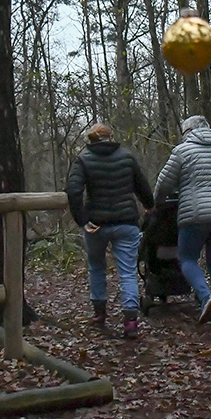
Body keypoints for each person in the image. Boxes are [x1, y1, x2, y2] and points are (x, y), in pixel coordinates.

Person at [65, 123, 155, 339]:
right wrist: (149, 205)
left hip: (97, 223)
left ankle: (99, 312)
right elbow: (141, 185)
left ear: (91, 139)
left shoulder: (83, 158)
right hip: (126, 222)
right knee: (127, 272)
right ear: (111, 136)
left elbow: (74, 190)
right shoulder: (126, 156)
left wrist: (82, 220)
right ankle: (131, 321)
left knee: (97, 268)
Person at [154, 115, 211, 325]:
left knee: (187, 258)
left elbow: (164, 183)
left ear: (189, 131)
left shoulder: (183, 151)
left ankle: (205, 296)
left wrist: (157, 204)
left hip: (196, 214)